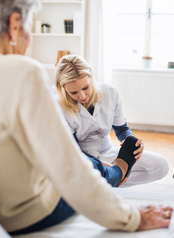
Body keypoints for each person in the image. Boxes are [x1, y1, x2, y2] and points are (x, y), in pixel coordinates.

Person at [0, 0, 172, 236]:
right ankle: (118, 173)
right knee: (86, 164)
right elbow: (70, 168)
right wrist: (131, 217)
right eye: (28, 27)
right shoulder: (23, 71)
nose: (28, 39)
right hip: (33, 213)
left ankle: (115, 171)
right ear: (15, 24)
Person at [55, 55, 169, 188]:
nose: (82, 96)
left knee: (161, 165)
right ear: (63, 88)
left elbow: (122, 130)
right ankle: (110, 179)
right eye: (74, 92)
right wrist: (106, 168)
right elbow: (73, 150)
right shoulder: (57, 106)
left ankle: (110, 182)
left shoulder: (110, 93)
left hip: (110, 153)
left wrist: (132, 142)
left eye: (85, 87)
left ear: (91, 75)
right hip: (82, 160)